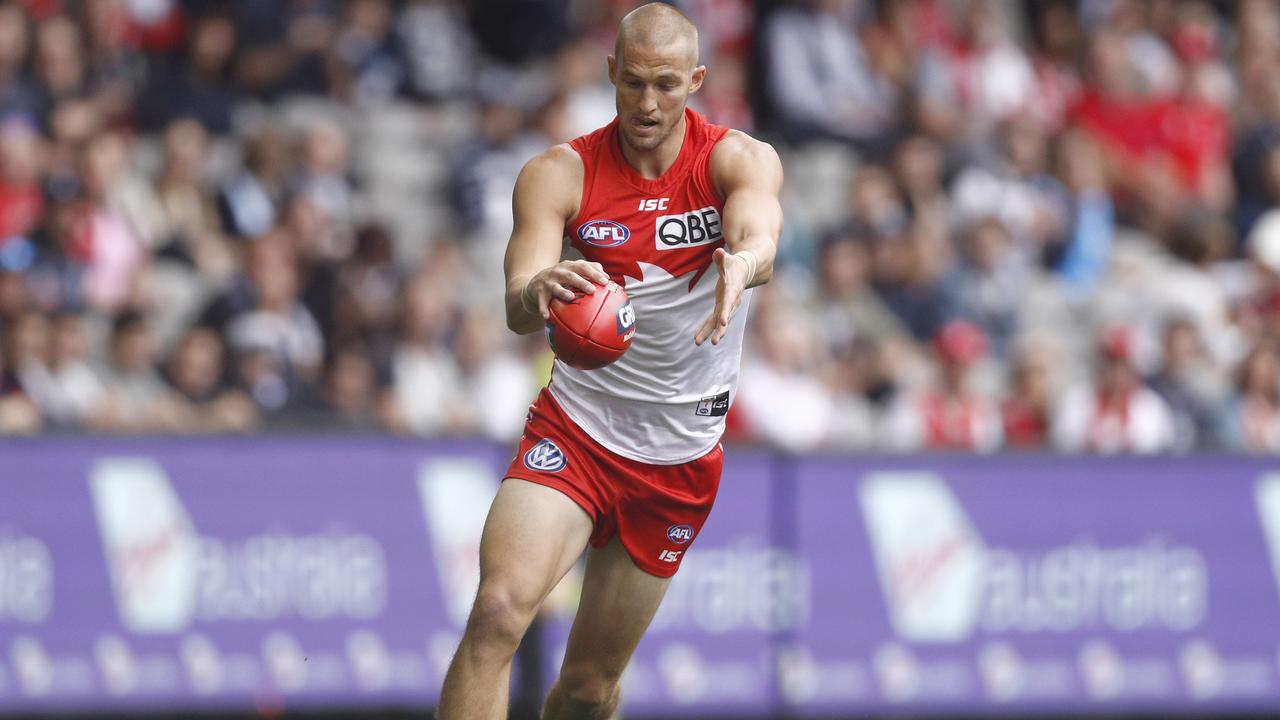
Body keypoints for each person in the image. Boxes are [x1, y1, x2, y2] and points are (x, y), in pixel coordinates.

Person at [436, 4, 783, 717]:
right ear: (609, 75)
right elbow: (515, 301)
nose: (648, 103)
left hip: (677, 458)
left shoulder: (735, 160)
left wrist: (741, 264)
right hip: (577, 432)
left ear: (696, 80)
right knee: (499, 611)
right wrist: (539, 289)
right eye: (632, 84)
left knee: (590, 686)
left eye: (665, 84)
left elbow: (761, 232)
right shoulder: (557, 173)